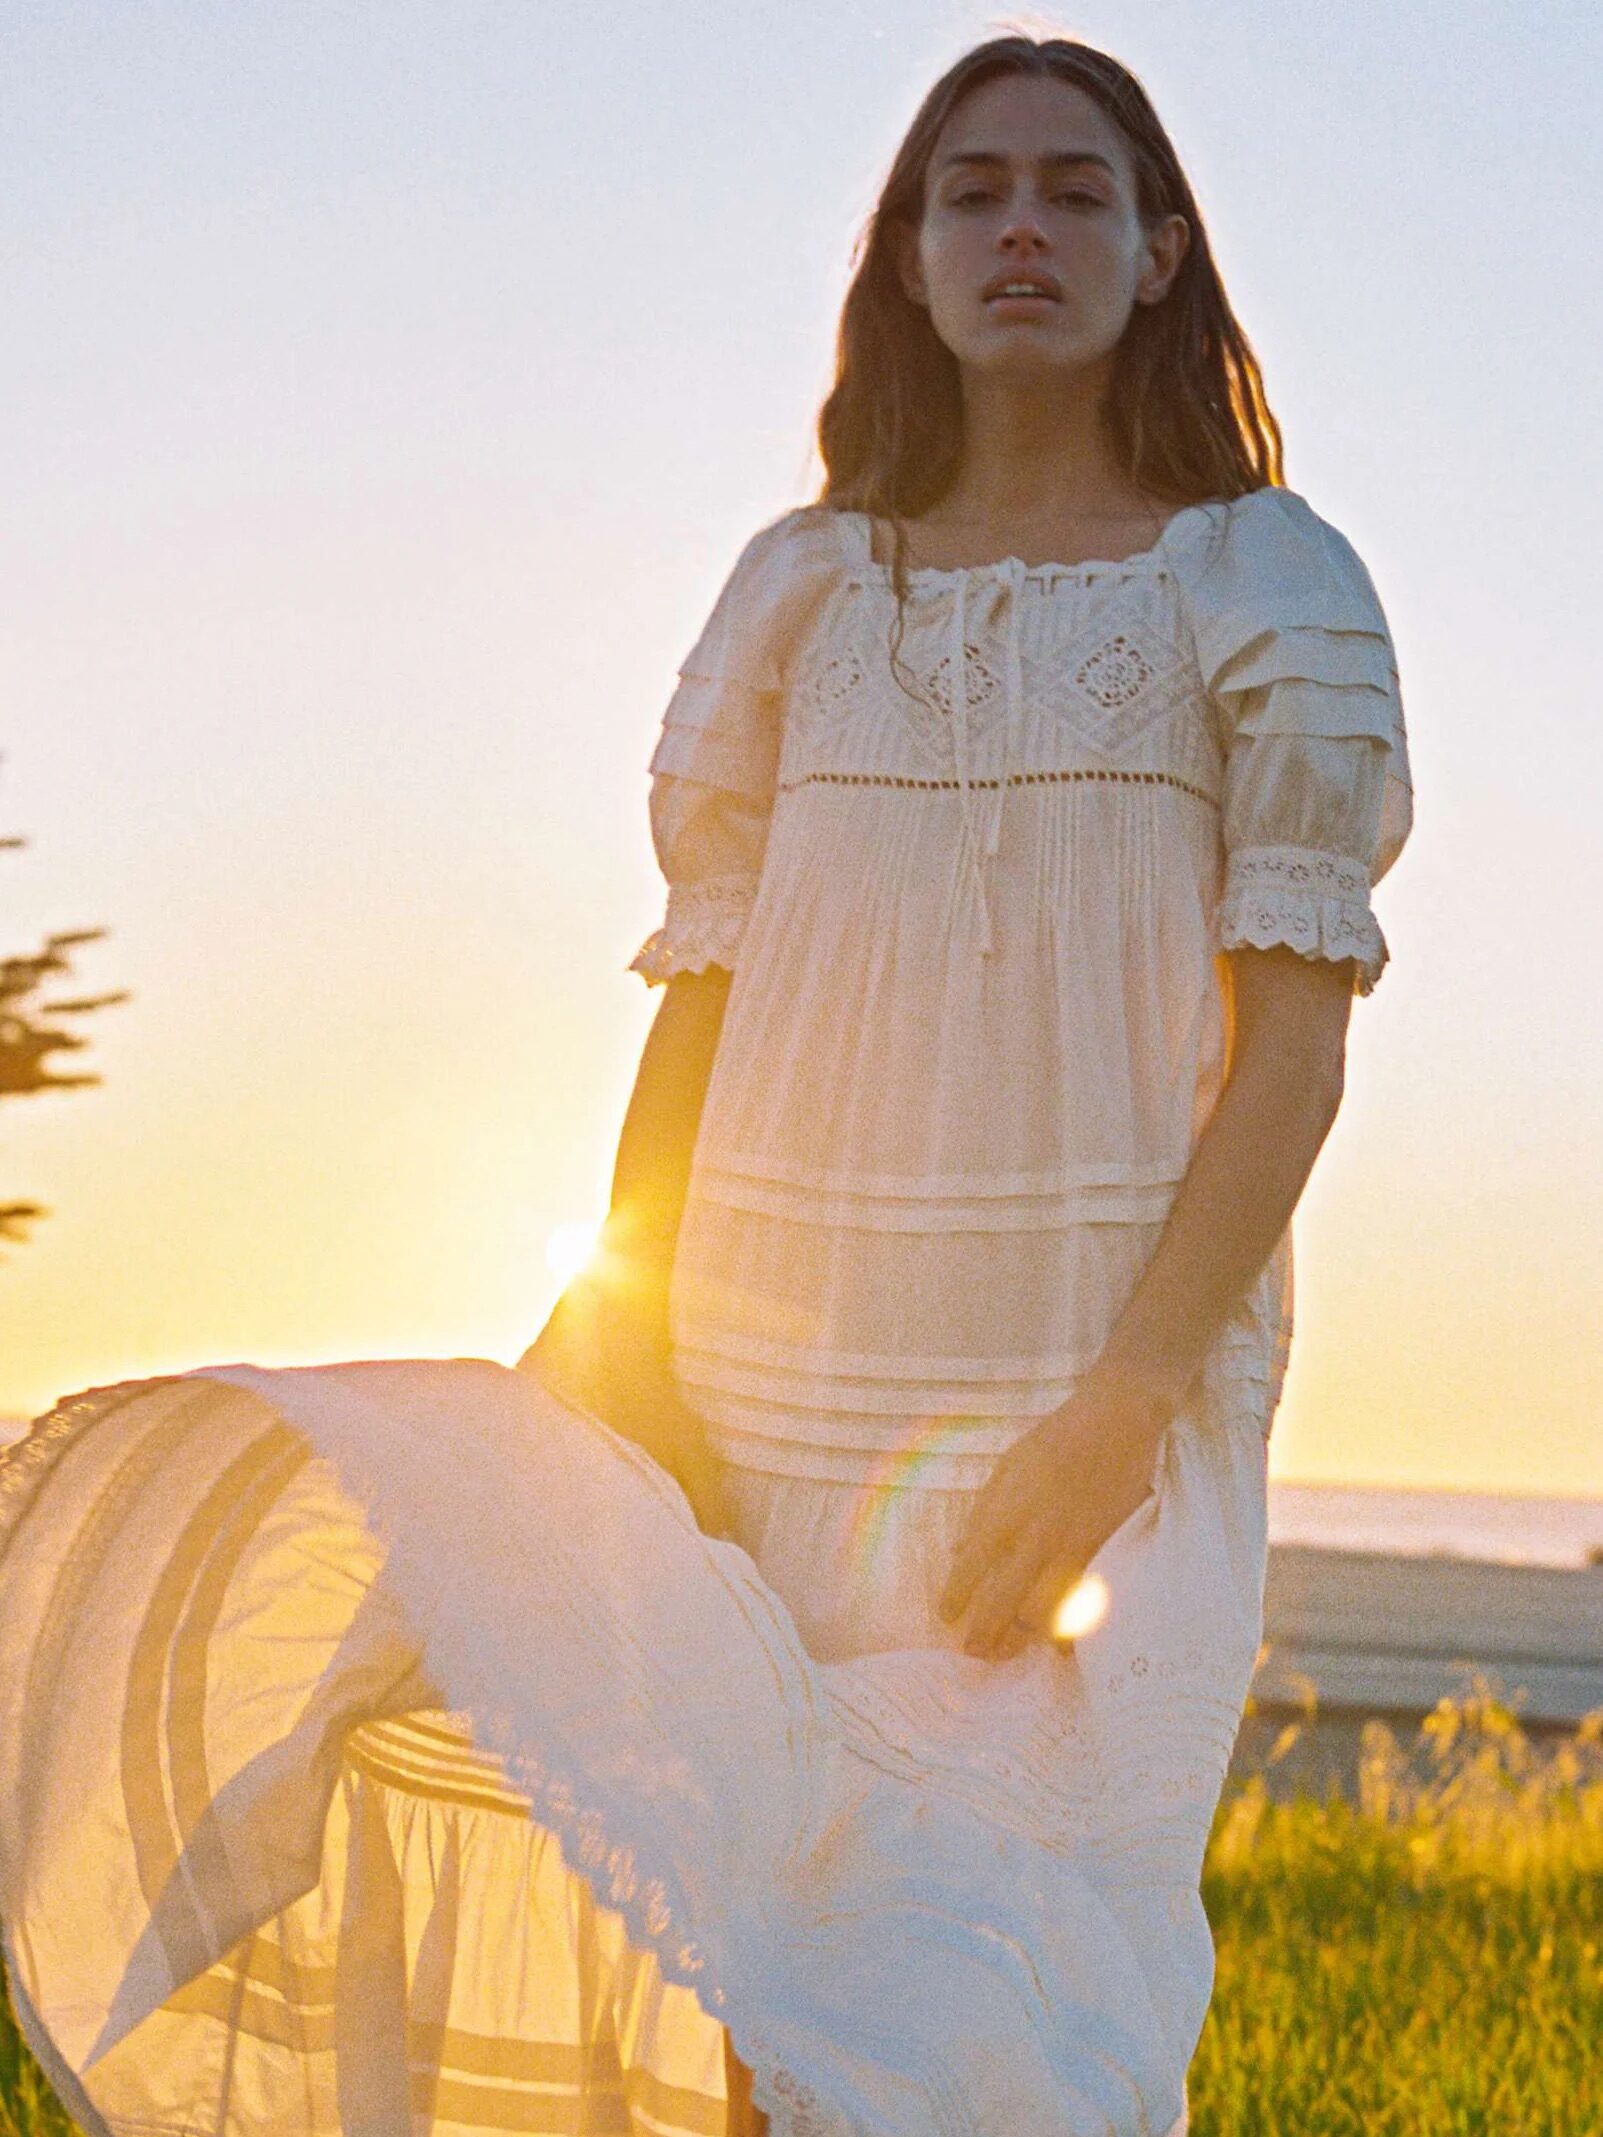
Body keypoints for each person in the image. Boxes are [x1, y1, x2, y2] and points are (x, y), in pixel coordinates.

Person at [0, 33, 1413, 2137]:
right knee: (756, 2001)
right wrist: (631, 1324)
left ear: (1156, 253)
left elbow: (1292, 1050)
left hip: (1097, 1395)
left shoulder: (1265, 583)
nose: (1019, 225)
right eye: (972, 192)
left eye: (1072, 190)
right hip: (760, 1389)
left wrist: (1121, 1405)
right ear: (909, 261)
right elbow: (701, 1006)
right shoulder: (798, 592)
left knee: (1004, 2005)